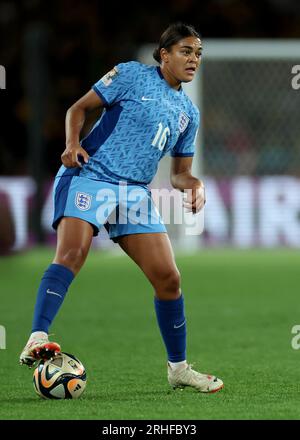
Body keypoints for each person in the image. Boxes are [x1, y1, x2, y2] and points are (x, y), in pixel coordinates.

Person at [20, 22, 223, 393]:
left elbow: (180, 174)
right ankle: (37, 336)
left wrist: (194, 184)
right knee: (71, 254)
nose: (194, 59)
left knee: (169, 279)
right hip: (92, 175)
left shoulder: (187, 113)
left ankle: (178, 369)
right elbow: (77, 109)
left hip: (134, 193)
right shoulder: (130, 75)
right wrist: (71, 143)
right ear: (164, 54)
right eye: (185, 51)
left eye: (198, 53)